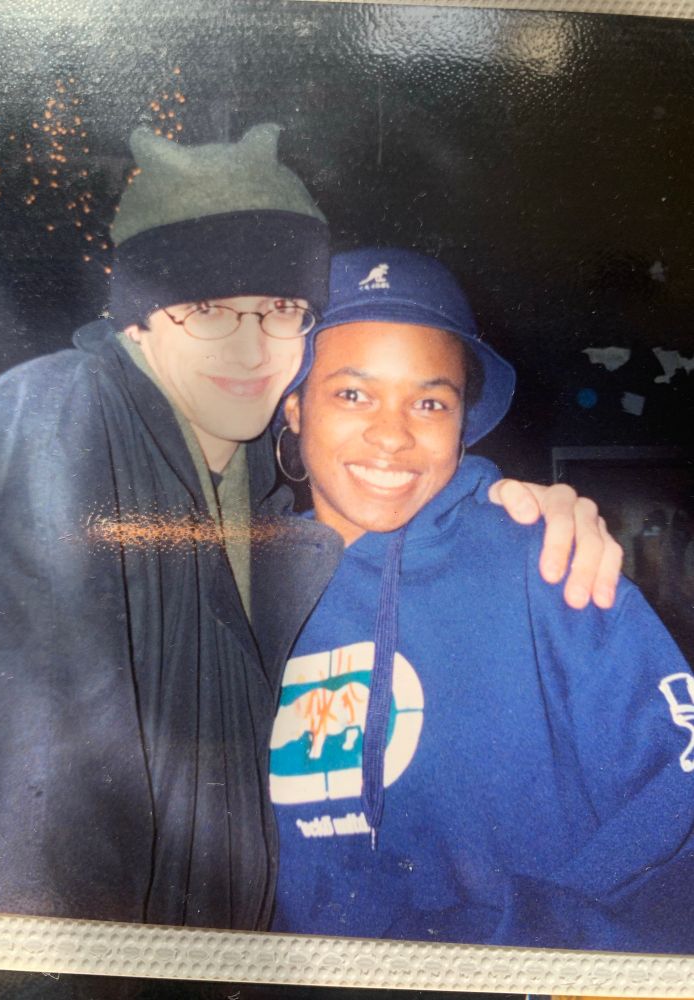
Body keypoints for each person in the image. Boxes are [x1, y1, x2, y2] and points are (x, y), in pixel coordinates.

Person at [0, 126, 618, 930]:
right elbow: (1, 770)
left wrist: (503, 506)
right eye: (206, 309)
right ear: (137, 320)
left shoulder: (258, 520)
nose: (248, 347)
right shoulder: (64, 421)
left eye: (280, 310)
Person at [269, 247, 694, 953]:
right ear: (294, 407)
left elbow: (678, 800)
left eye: (429, 401)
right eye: (353, 394)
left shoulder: (547, 562)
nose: (392, 434)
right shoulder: (239, 592)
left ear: (462, 422)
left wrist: (537, 949)